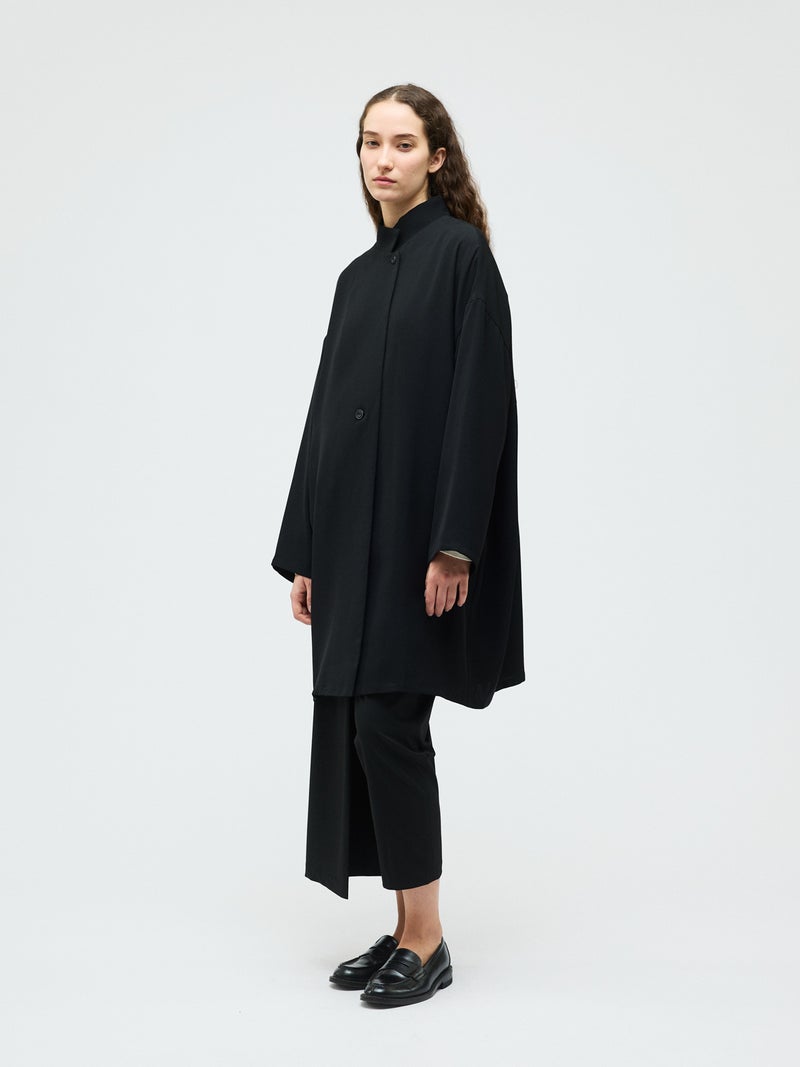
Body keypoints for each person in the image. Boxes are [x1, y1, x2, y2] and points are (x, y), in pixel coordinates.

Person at [271, 83, 525, 1008]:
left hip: (418, 540)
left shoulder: (461, 258)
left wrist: (456, 543)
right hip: (348, 541)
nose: (383, 158)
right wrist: (306, 547)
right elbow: (322, 419)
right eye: (370, 142)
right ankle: (406, 923)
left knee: (389, 721)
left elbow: (480, 408)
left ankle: (428, 938)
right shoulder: (357, 277)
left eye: (403, 143)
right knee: (357, 723)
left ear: (437, 158)